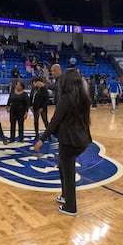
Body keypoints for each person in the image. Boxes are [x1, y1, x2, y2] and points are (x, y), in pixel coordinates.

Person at [34, 69, 92, 216]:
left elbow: (55, 121)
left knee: (68, 173)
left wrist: (42, 139)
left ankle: (71, 207)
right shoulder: (83, 97)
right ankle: (66, 195)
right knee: (63, 167)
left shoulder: (66, 98)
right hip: (82, 139)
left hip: (69, 141)